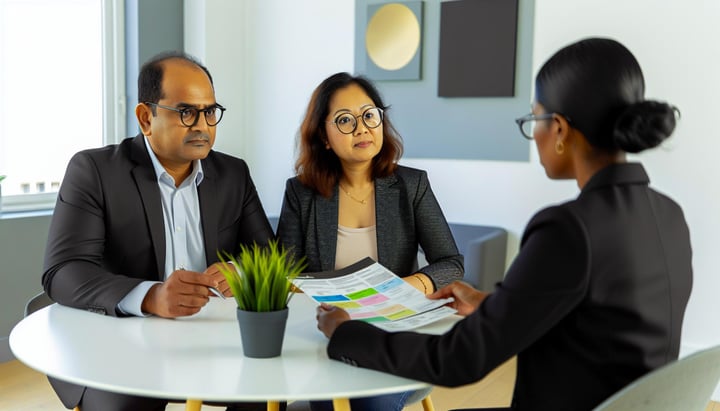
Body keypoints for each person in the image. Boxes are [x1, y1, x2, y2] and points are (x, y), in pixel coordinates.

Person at [316, 38, 693, 411]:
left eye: (535, 118)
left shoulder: (568, 229)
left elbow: (455, 360)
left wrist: (346, 333)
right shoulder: (669, 214)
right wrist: (493, 306)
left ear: (559, 129)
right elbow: (595, 323)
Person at [42, 52, 274, 411]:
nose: (202, 125)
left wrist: (242, 273)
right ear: (145, 117)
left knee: (266, 391)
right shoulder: (94, 170)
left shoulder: (233, 174)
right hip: (120, 343)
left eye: (210, 111)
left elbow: (269, 255)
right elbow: (64, 270)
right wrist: (150, 296)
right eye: (186, 112)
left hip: (213, 338)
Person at [276, 72, 464, 411]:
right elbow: (286, 274)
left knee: (370, 404)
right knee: (329, 401)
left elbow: (451, 263)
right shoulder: (301, 193)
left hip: (395, 338)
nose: (362, 128)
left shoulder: (411, 186)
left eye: (369, 115)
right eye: (345, 120)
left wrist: (402, 288)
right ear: (325, 136)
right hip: (327, 338)